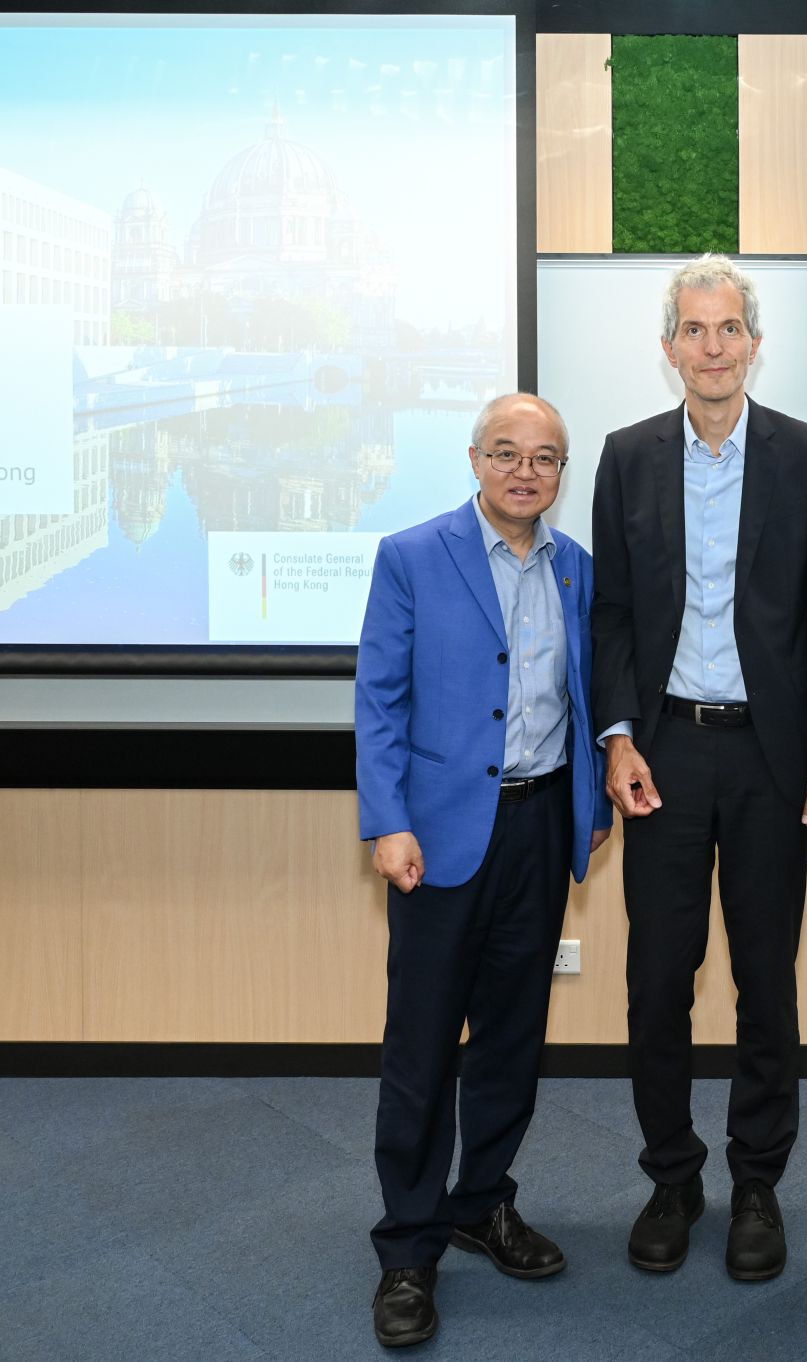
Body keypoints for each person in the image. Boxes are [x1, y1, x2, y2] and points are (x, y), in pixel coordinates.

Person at [590, 254, 807, 1280]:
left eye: (727, 328)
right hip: (661, 754)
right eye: (692, 331)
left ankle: (755, 1182)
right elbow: (610, 612)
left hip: (769, 758)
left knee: (764, 979)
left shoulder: (803, 456)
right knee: (658, 978)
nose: (710, 347)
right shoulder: (625, 458)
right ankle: (670, 1174)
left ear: (753, 342)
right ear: (668, 350)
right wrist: (615, 734)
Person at [354, 392, 613, 1349]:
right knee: (421, 1047)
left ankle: (482, 1202)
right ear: (474, 460)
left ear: (560, 473)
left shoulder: (578, 571)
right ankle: (408, 1248)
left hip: (541, 829)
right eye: (506, 453)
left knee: (511, 1037)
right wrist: (387, 822)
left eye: (545, 458)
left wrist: (587, 807)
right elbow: (379, 700)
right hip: (439, 834)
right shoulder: (413, 556)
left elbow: (587, 698)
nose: (524, 472)